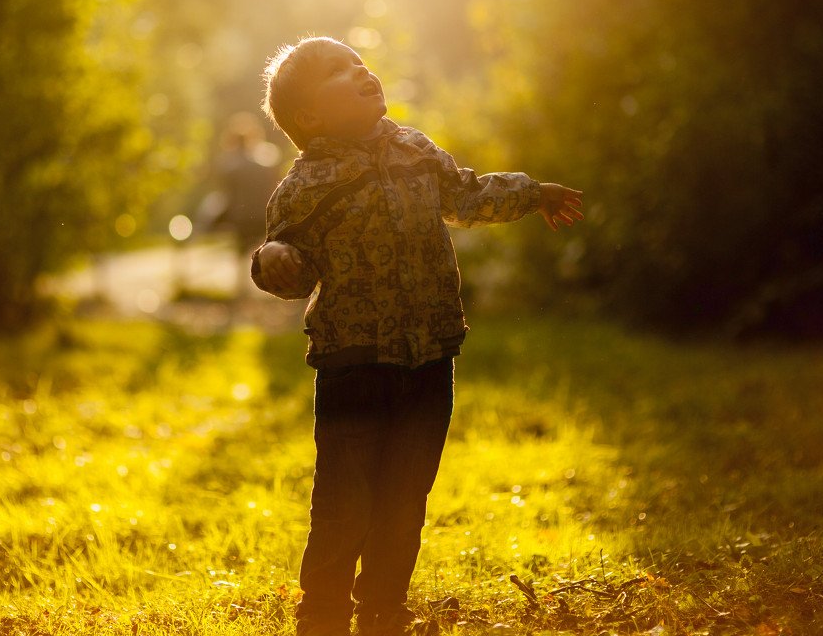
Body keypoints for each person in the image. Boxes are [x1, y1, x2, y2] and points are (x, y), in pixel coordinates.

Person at [249, 36, 584, 636]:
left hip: (430, 353)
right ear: (309, 117)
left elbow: (467, 194)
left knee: (405, 498)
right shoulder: (304, 186)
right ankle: (322, 611)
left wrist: (531, 194)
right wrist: (273, 257)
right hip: (353, 362)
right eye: (339, 70)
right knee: (344, 500)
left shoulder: (414, 149)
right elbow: (293, 263)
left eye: (358, 60)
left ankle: (384, 607)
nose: (360, 70)